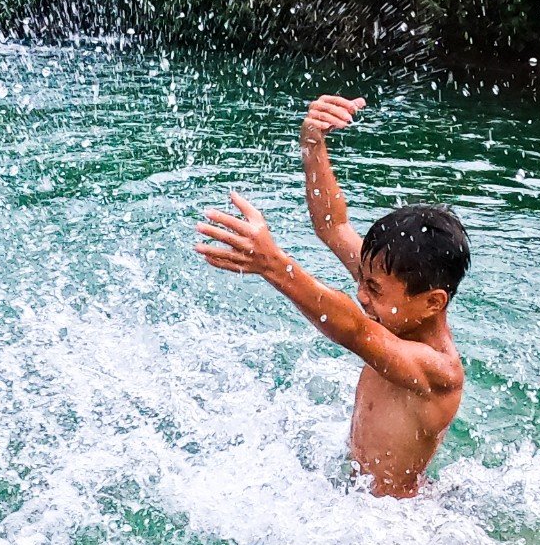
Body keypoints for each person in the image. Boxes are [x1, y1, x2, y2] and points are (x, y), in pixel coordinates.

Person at [195, 94, 468, 498]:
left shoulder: (438, 373)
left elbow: (356, 331)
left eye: (372, 288)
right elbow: (333, 224)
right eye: (363, 279)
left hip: (397, 529)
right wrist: (312, 144)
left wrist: (273, 264)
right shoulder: (394, 300)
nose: (362, 294)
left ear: (433, 302)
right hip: (353, 502)